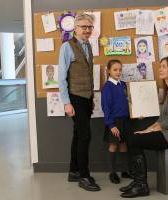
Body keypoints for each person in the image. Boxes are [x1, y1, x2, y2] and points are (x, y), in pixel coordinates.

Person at [119, 56, 168, 198]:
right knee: (134, 136)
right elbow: (163, 118)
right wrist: (149, 128)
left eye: (164, 66)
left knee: (134, 140)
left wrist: (152, 129)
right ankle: (138, 182)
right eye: (160, 66)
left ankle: (140, 185)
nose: (160, 69)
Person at [58, 13, 100, 191]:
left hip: (86, 97)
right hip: (75, 98)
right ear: (75, 28)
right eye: (84, 27)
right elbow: (61, 77)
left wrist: (91, 97)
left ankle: (73, 170)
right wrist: (66, 102)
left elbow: (87, 73)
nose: (87, 30)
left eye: (90, 27)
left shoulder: (88, 45)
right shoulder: (67, 47)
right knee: (85, 135)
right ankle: (84, 175)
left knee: (78, 133)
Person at [101, 59, 132, 184]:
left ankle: (125, 171)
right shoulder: (107, 87)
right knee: (114, 145)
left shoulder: (124, 85)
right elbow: (106, 107)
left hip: (126, 120)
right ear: (109, 71)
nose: (118, 72)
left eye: (120, 69)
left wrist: (136, 113)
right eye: (115, 69)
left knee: (124, 145)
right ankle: (112, 173)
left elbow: (130, 102)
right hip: (114, 121)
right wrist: (111, 125)